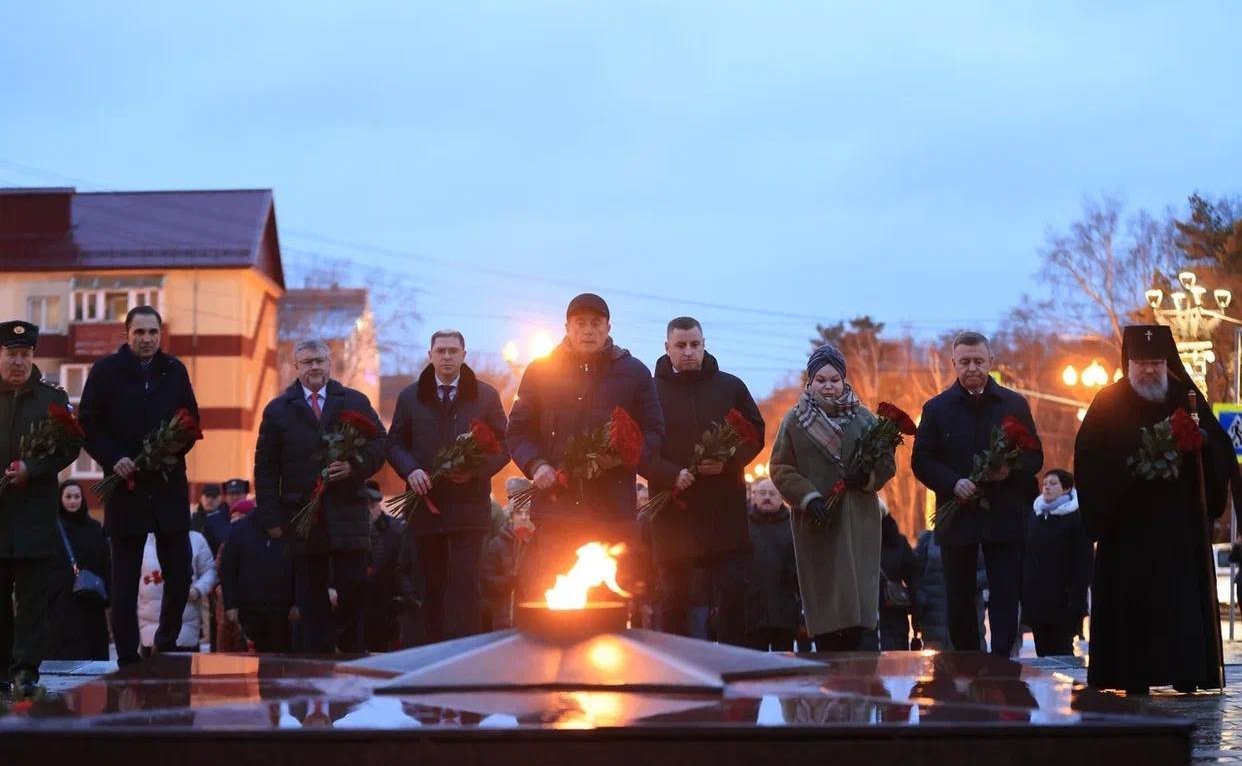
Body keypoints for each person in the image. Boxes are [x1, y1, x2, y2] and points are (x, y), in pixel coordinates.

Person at [1075, 325, 1233, 694]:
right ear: (1128, 363)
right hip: (1126, 527)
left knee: (1180, 603)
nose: (1149, 370)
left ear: (1167, 363)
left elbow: (1220, 447)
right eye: (1142, 362)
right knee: (1131, 604)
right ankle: (1132, 677)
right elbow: (1087, 459)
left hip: (1178, 527)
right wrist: (1123, 477)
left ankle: (1188, 673)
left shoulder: (1186, 397)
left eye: (1156, 362)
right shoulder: (1107, 402)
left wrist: (1204, 441)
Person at [506, 293, 664, 597]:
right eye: (580, 323)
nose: (588, 330)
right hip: (556, 512)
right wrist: (536, 465)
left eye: (596, 323)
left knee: (606, 606)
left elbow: (655, 431)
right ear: (567, 327)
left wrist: (624, 456)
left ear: (608, 327)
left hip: (612, 512)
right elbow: (517, 432)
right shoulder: (541, 371)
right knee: (557, 601)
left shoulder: (634, 373)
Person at [78, 305, 200, 665]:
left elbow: (191, 421)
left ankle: (166, 641)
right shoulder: (105, 372)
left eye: (153, 332)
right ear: (126, 334)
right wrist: (113, 458)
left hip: (167, 484)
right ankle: (129, 655)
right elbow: (87, 424)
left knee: (179, 571)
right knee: (125, 578)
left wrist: (168, 450)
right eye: (139, 332)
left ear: (161, 335)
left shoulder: (174, 371)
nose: (146, 339)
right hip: (124, 485)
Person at [911, 331, 1043, 657]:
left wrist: (1009, 470)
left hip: (1004, 518)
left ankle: (1001, 664)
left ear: (991, 362)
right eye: (965, 361)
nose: (973, 368)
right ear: (954, 364)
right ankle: (968, 663)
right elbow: (921, 461)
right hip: (958, 518)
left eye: (979, 361)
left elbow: (1035, 456)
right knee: (959, 599)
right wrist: (953, 483)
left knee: (1005, 595)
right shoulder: (937, 408)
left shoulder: (1014, 404)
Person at [253, 338, 387, 654]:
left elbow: (380, 444)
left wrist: (354, 465)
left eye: (320, 360)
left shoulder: (354, 401)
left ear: (330, 364)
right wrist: (271, 517)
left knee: (353, 591)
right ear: (295, 367)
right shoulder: (278, 411)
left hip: (348, 516)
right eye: (308, 361)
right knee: (311, 600)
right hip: (302, 518)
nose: (315, 366)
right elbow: (266, 468)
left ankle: (352, 659)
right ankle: (319, 667)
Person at [646, 317, 765, 646]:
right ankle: (677, 673)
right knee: (674, 602)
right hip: (673, 515)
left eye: (694, 345)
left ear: (704, 344)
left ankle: (733, 673)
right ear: (666, 348)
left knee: (731, 599)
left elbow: (755, 432)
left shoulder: (730, 386)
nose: (688, 352)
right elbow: (638, 448)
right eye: (680, 346)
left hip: (723, 516)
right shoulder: (651, 391)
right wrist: (669, 474)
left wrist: (728, 462)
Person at [770, 343, 896, 651]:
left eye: (834, 379)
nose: (829, 386)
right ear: (810, 382)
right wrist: (808, 497)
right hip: (817, 523)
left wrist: (866, 478)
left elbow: (886, 464)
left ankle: (861, 679)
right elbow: (781, 467)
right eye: (821, 380)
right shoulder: (795, 421)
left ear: (844, 380)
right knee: (826, 601)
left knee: (857, 602)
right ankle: (829, 664)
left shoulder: (865, 419)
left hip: (858, 521)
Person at [387, 330, 510, 643]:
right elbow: (395, 443)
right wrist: (411, 469)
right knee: (431, 585)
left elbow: (504, 444)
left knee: (466, 585)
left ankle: (466, 656)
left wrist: (474, 471)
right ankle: (435, 654)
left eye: (453, 351)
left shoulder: (485, 396)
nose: (446, 357)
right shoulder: (410, 396)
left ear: (463, 355)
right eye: (440, 351)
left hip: (469, 508)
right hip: (426, 507)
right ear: (430, 355)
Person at [0, 320, 79, 693]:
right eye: (11, 354)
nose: (18, 361)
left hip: (34, 515)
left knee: (32, 599)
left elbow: (69, 446)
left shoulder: (52, 399)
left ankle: (26, 669)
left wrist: (35, 469)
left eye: (25, 354)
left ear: (33, 356)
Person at [1021, 469, 1092, 657]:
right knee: (1042, 653)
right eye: (1045, 483)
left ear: (1067, 488)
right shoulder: (1035, 516)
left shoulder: (1076, 518)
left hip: (1064, 600)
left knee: (1062, 654)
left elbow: (1082, 562)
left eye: (1053, 483)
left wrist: (1077, 599)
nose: (1047, 487)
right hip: (1037, 600)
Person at [47, 481, 111, 661]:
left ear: (83, 499)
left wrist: (106, 596)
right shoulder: (53, 529)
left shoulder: (94, 528)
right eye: (68, 496)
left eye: (77, 496)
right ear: (60, 499)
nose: (73, 501)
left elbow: (105, 563)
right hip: (62, 603)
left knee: (91, 655)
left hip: (90, 602)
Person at [220, 498, 295, 653]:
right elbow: (228, 568)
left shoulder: (291, 526)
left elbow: (300, 567)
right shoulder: (239, 530)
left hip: (284, 608)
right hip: (251, 608)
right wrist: (231, 604)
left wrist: (299, 603)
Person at [138, 528, 217, 653]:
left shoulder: (196, 539)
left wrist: (198, 590)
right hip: (149, 628)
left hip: (186, 627)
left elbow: (210, 571)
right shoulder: (141, 541)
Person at [744, 479, 799, 652]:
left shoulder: (794, 524)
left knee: (783, 668)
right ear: (754, 497)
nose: (767, 497)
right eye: (762, 493)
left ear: (781, 497)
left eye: (772, 493)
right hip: (752, 612)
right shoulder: (742, 524)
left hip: (784, 611)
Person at [363, 480, 407, 651]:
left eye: (372, 504)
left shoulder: (395, 530)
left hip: (386, 604)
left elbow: (401, 565)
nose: (368, 510)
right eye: (363, 505)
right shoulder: (350, 530)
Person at [482, 498, 535, 630]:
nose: (523, 517)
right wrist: (507, 579)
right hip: (503, 616)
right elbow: (486, 579)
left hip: (531, 618)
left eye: (527, 513)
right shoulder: (497, 544)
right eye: (519, 513)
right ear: (511, 517)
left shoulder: (538, 545)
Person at [873, 504, 919, 651]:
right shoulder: (852, 542)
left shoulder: (898, 543)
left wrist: (918, 611)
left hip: (893, 615)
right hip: (869, 620)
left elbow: (914, 577)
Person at [912, 529, 948, 650]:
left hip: (966, 619)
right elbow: (915, 574)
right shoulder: (927, 541)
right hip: (932, 620)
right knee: (935, 663)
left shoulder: (974, 541)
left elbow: (987, 574)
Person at [191, 484, 230, 557]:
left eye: (213, 497)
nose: (210, 500)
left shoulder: (226, 517)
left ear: (220, 499)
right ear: (201, 498)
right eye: (207, 496)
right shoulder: (195, 518)